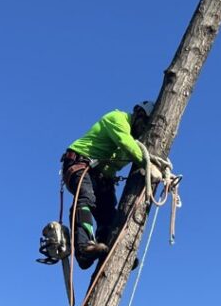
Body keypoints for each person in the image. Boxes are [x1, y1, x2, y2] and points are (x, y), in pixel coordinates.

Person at [61, 101, 162, 269]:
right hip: (80, 164)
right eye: (143, 124)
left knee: (109, 215)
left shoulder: (135, 140)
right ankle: (84, 248)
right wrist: (148, 165)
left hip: (100, 176)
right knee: (86, 197)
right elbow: (125, 143)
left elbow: (129, 149)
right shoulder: (117, 118)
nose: (143, 130)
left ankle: (108, 248)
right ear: (138, 114)